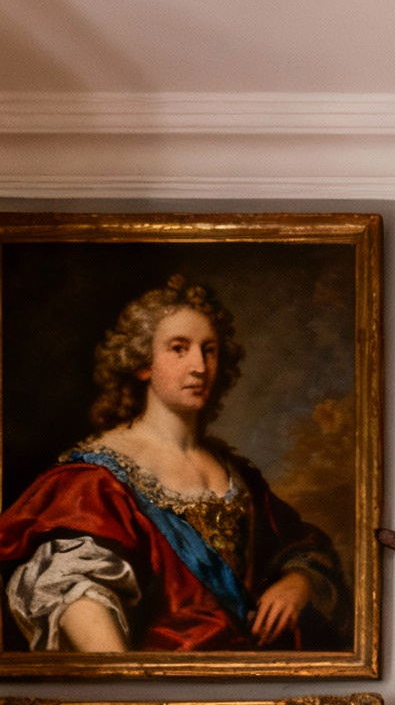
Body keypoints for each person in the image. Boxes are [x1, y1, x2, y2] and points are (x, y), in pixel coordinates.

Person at [0, 274, 350, 654]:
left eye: (209, 349)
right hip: (164, 680)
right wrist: (128, 688)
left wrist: (297, 581)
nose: (199, 366)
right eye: (179, 349)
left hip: (256, 676)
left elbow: (302, 546)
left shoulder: (238, 475)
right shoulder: (96, 478)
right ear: (142, 362)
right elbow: (73, 588)